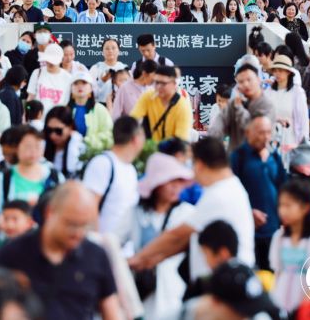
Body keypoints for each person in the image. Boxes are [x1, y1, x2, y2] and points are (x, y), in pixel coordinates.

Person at [129, 137, 255, 281]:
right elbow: (186, 239)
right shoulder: (229, 187)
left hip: (228, 281)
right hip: (227, 277)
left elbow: (177, 235)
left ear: (199, 165)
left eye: (192, 165)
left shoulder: (219, 194)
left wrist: (138, 258)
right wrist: (153, 259)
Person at [0, 181, 122, 319]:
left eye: (84, 225)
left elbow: (111, 311)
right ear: (50, 212)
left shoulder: (96, 256)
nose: (78, 233)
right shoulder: (12, 254)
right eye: (71, 224)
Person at [119, 153, 194, 318]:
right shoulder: (136, 213)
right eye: (170, 181)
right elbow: (114, 240)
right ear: (157, 184)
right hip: (142, 292)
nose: (176, 187)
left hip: (174, 292)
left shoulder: (187, 213)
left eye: (179, 181)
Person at [230, 115, 287, 271]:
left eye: (268, 132)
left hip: (273, 229)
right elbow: (231, 194)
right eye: (261, 132)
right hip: (248, 230)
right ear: (248, 132)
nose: (265, 137)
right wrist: (248, 212)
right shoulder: (238, 157)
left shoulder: (274, 156)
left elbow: (283, 188)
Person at [267, 179, 310, 315]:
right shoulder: (279, 237)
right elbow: (278, 273)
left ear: (305, 207)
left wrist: (304, 309)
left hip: (308, 306)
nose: (282, 211)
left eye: (288, 205)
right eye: (281, 205)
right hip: (281, 303)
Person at [82, 116, 143, 234]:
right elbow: (89, 206)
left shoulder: (131, 170)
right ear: (136, 139)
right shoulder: (103, 163)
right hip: (101, 242)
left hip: (123, 244)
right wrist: (97, 241)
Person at [209, 63, 279, 153]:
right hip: (235, 157)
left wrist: (239, 109)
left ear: (258, 80)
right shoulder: (233, 104)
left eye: (249, 80)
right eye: (241, 82)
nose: (245, 84)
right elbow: (216, 128)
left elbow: (254, 132)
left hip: (258, 158)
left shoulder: (266, 105)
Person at [0, 125, 62, 212]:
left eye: (37, 146)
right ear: (16, 147)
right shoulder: (2, 180)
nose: (33, 151)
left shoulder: (55, 176)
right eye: (28, 146)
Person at [131, 65, 193, 142]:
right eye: (157, 82)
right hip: (150, 146)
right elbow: (133, 118)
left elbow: (181, 139)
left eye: (163, 83)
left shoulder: (183, 106)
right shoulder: (148, 96)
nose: (158, 87)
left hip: (173, 148)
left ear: (174, 84)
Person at [268, 55, 310, 150]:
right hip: (271, 139)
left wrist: (302, 145)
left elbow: (303, 121)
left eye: (281, 70)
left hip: (291, 140)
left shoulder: (297, 92)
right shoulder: (268, 92)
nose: (277, 74)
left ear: (288, 72)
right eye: (275, 70)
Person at [68, 72, 113, 154]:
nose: (80, 86)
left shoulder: (100, 109)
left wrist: (86, 141)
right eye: (76, 83)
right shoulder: (64, 109)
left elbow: (109, 135)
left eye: (84, 83)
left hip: (94, 154)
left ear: (91, 88)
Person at [26, 43, 72, 115]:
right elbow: (30, 98)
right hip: (37, 119)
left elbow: (67, 103)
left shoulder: (68, 78)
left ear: (61, 60)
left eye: (53, 61)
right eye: (48, 60)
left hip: (57, 118)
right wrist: (27, 114)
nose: (50, 63)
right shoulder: (37, 73)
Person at [44, 106, 85, 179]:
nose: (53, 135)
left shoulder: (79, 147)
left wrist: (74, 143)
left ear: (70, 127)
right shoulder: (42, 145)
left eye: (58, 131)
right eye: (49, 130)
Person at [89, 39, 128, 104]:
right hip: (100, 104)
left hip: (121, 104)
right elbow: (89, 89)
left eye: (113, 48)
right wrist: (102, 81)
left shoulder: (124, 68)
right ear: (102, 51)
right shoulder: (96, 67)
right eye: (107, 48)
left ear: (118, 51)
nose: (110, 51)